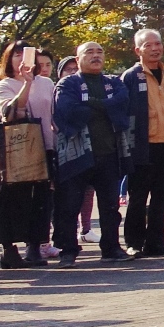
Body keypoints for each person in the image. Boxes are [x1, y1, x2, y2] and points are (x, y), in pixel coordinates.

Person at [52, 42, 132, 266]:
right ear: (77, 60)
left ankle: (111, 247)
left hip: (109, 152)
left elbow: (122, 104)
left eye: (100, 52)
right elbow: (68, 110)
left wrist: (89, 103)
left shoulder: (113, 82)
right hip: (77, 153)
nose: (96, 56)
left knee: (110, 205)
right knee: (69, 204)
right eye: (89, 52)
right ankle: (68, 250)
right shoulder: (68, 83)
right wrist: (105, 106)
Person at [121, 28, 164, 257]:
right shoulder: (130, 76)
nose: (155, 49)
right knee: (138, 196)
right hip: (143, 145)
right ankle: (134, 242)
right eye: (149, 45)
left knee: (161, 196)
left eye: (158, 44)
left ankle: (156, 241)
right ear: (138, 50)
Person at [0, 43, 57, 268]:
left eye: (27, 54)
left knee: (42, 199)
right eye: (17, 54)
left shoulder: (47, 83)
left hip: (45, 146)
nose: (22, 59)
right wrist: (26, 84)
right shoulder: (5, 85)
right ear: (8, 59)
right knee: (13, 199)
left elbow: (53, 113)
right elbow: (9, 113)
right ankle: (9, 249)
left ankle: (34, 246)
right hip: (17, 150)